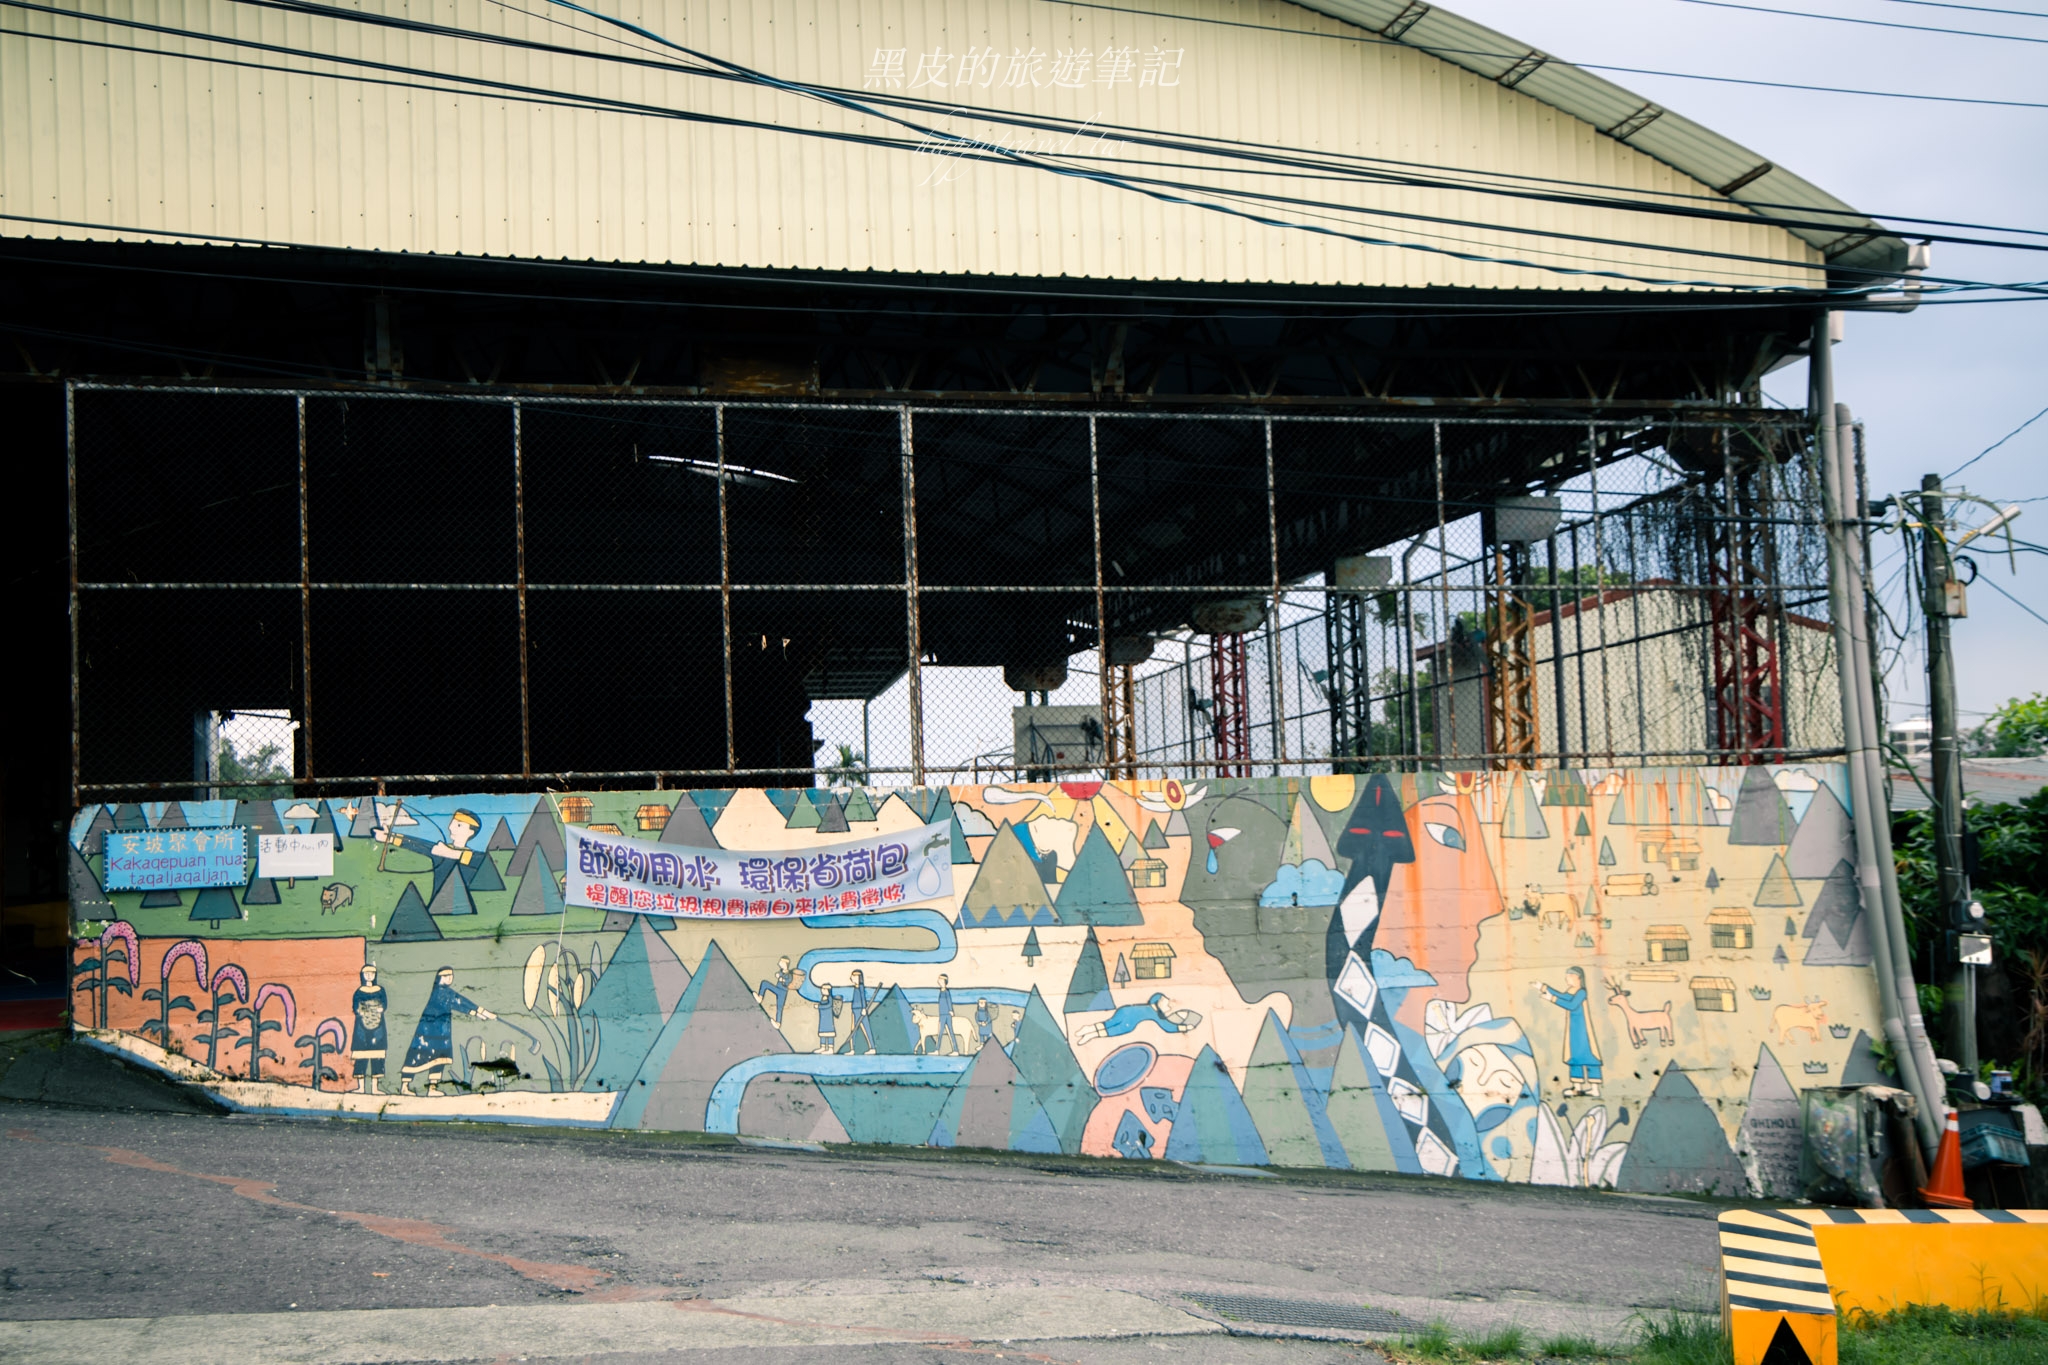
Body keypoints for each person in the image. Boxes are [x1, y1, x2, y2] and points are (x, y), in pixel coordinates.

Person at [400, 966, 496, 1095]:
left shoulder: (446, 992)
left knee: (439, 1058)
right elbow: (459, 1001)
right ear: (439, 978)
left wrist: (478, 1014)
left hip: (441, 1031)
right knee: (417, 1056)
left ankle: (432, 1088)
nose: (449, 978)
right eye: (446, 976)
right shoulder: (441, 992)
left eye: (451, 975)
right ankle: (405, 1086)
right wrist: (482, 1012)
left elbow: (457, 1004)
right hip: (428, 1031)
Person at [1540, 966, 1603, 1098]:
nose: (1566, 978)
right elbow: (1562, 996)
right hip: (1573, 1028)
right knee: (1574, 1056)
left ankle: (1594, 1088)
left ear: (1577, 977)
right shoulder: (1572, 990)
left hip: (1583, 1028)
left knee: (1590, 1056)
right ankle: (1577, 1087)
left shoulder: (1581, 992)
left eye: (1569, 975)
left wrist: (1551, 998)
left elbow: (1571, 1005)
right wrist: (1544, 987)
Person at [1072, 993, 1202, 1045]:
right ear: (1159, 1002)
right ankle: (1091, 1034)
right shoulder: (1155, 1013)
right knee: (1116, 1029)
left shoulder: (1152, 1010)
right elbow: (1167, 1027)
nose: (1168, 1007)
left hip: (1125, 1010)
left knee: (1110, 1024)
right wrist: (1184, 1027)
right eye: (1166, 1004)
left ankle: (1089, 1030)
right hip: (1129, 1020)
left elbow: (1167, 1026)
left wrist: (1184, 1027)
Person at [350, 963, 389, 1095]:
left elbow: (384, 1004)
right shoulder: (359, 991)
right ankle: (361, 1087)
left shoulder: (380, 990)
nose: (369, 976)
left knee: (377, 1058)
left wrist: (379, 1009)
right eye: (366, 973)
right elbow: (356, 1007)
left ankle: (374, 1088)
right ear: (363, 975)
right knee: (361, 1058)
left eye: (372, 973)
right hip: (362, 1027)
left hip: (378, 1026)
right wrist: (362, 1011)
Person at [758, 956, 799, 1026]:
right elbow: (779, 974)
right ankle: (760, 997)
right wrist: (778, 975)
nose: (779, 963)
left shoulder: (789, 975)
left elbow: (788, 981)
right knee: (764, 983)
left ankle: (778, 1023)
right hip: (777, 989)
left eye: (781, 962)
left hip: (782, 992)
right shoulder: (781, 972)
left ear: (785, 964)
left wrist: (781, 979)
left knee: (779, 1007)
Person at [845, 969, 878, 1055]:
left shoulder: (861, 988)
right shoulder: (855, 988)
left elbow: (863, 998)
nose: (852, 978)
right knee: (853, 1030)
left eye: (854, 977)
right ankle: (852, 1049)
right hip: (854, 1010)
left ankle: (872, 1048)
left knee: (866, 1029)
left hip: (861, 1010)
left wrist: (864, 1008)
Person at [934, 974, 958, 1055]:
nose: (939, 981)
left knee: (951, 1032)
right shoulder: (941, 991)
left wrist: (951, 1010)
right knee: (940, 1033)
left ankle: (955, 1050)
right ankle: (937, 1050)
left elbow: (949, 1001)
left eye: (940, 980)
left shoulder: (946, 992)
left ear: (944, 981)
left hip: (947, 1014)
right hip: (942, 1014)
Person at [815, 984, 839, 1054]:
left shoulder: (830, 999)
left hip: (828, 1019)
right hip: (823, 1018)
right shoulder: (823, 998)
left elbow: (828, 1005)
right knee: (822, 1032)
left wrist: (819, 1006)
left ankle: (830, 1048)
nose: (822, 990)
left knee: (829, 1033)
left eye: (824, 989)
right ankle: (823, 1047)